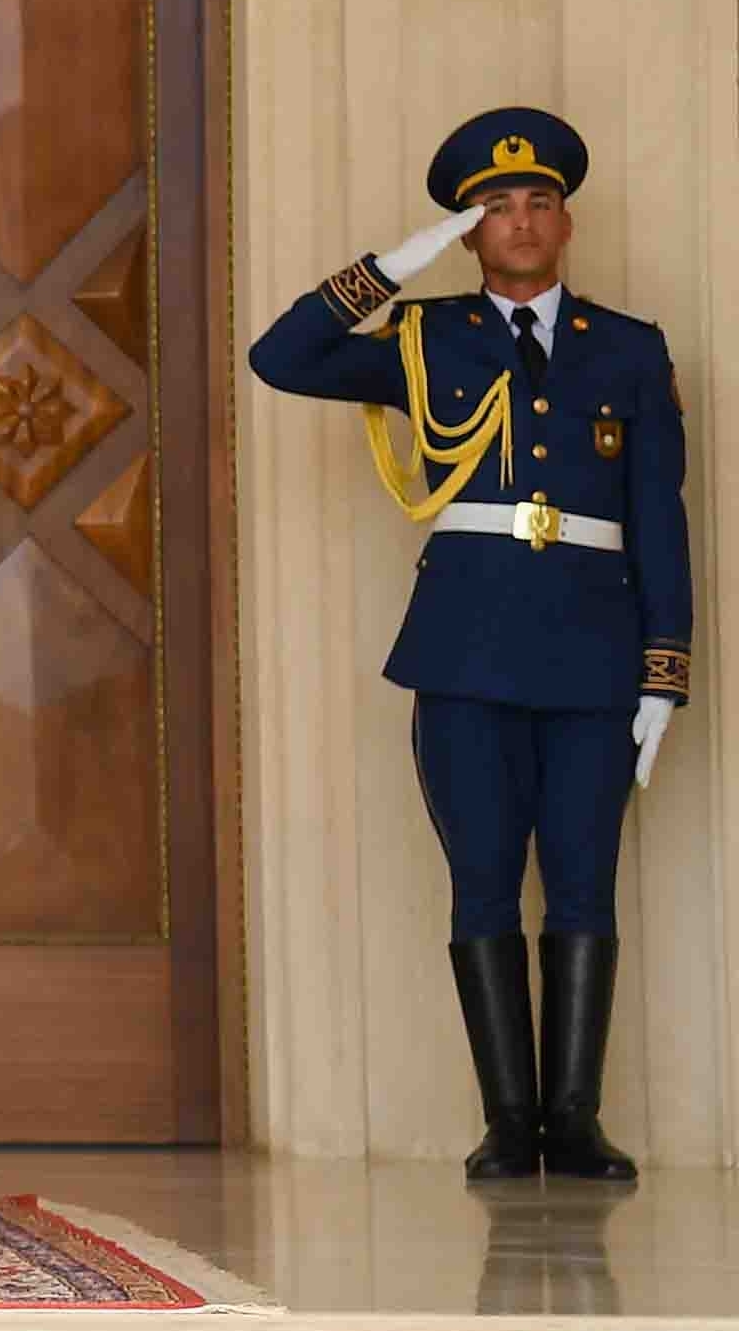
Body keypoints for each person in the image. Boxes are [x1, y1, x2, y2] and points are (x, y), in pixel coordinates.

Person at [247, 107, 691, 1183]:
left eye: (539, 202)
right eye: (496, 208)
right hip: (466, 650)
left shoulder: (628, 349)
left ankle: (574, 1122)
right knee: (484, 879)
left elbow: (660, 511)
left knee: (584, 881)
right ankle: (508, 1121)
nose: (521, 222)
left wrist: (662, 671)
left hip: (593, 652)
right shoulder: (426, 336)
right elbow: (281, 356)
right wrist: (394, 265)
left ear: (567, 221)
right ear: (471, 229)